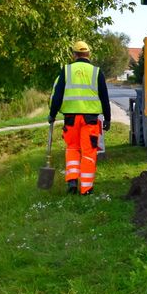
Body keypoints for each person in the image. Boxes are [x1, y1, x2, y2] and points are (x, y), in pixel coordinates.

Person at [48, 41, 112, 195]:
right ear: (88, 54)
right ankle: (86, 189)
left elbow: (57, 96)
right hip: (90, 120)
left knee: (72, 148)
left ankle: (72, 181)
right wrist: (108, 118)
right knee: (88, 152)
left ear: (74, 55)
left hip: (71, 119)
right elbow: (105, 98)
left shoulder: (66, 70)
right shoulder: (97, 72)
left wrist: (52, 114)